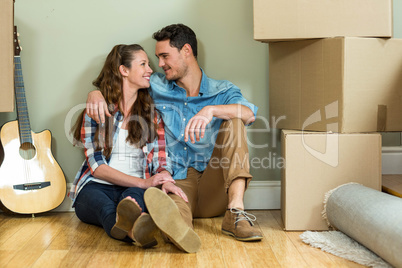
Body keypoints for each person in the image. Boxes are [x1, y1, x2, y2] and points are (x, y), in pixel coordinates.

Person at [86, 24, 263, 253]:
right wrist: (96, 92)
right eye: (157, 58)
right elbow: (123, 85)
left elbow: (249, 114)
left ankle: (236, 213)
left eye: (164, 56)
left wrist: (211, 111)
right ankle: (176, 230)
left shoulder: (222, 90)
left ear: (186, 51)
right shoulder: (156, 85)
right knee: (171, 212)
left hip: (215, 183)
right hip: (178, 182)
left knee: (235, 120)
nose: (159, 64)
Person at [69, 44, 176, 248]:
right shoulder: (96, 111)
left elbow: (161, 158)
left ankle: (132, 230)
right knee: (105, 208)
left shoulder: (152, 116)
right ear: (124, 70)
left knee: (132, 201)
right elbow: (97, 167)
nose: (150, 70)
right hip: (95, 187)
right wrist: (144, 183)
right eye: (143, 64)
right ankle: (136, 231)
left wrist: (164, 178)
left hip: (135, 188)